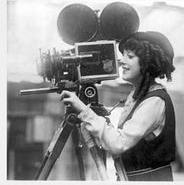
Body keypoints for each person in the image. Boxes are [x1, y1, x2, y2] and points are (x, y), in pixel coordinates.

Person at [60, 31, 176, 181]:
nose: (122, 61)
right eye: (124, 55)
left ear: (148, 63)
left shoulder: (154, 101)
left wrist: (83, 109)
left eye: (130, 56)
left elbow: (118, 144)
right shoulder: (139, 94)